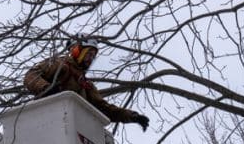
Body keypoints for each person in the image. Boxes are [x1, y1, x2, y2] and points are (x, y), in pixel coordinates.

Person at [22, 38, 150, 130]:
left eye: (93, 56)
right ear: (77, 51)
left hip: (73, 125)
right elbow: (31, 76)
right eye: (88, 54)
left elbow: (104, 108)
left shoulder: (85, 84)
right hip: (49, 118)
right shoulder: (60, 64)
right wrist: (46, 88)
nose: (91, 58)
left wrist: (132, 117)